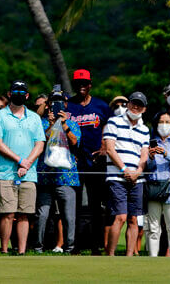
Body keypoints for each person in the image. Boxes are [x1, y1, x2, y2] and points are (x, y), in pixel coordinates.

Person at [0, 80, 45, 255]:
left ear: (27, 95)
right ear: (9, 94)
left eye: (22, 92)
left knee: (24, 214)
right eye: (16, 91)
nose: (19, 94)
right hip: (5, 172)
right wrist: (20, 160)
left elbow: (40, 145)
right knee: (7, 213)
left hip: (29, 173)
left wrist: (27, 163)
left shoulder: (35, 118)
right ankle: (5, 250)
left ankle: (21, 251)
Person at [65, 68, 111, 255]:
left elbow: (109, 128)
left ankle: (95, 245)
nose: (81, 86)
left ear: (90, 85)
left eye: (84, 83)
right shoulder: (68, 105)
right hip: (74, 161)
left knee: (95, 205)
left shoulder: (100, 106)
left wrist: (104, 147)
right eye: (78, 84)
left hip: (96, 161)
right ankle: (74, 244)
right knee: (74, 206)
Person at [35, 87, 80, 254]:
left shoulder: (73, 124)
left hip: (67, 177)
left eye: (59, 102)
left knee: (69, 216)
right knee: (43, 214)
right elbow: (42, 140)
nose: (56, 105)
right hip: (45, 176)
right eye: (53, 102)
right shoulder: (42, 123)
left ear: (66, 104)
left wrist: (63, 125)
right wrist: (53, 125)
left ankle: (69, 248)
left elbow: (74, 142)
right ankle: (38, 247)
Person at [104, 91, 150, 257]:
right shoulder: (114, 122)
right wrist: (124, 170)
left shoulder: (144, 129)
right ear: (128, 104)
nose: (136, 107)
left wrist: (138, 172)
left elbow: (144, 154)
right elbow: (110, 148)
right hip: (117, 176)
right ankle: (110, 255)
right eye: (133, 103)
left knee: (133, 219)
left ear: (144, 109)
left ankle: (129, 257)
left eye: (140, 105)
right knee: (120, 217)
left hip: (137, 179)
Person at [145, 111, 170, 257]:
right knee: (153, 228)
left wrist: (166, 153)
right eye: (162, 121)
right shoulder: (150, 141)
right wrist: (150, 157)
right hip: (154, 189)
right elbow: (147, 167)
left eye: (168, 122)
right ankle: (152, 259)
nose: (164, 125)